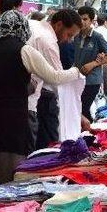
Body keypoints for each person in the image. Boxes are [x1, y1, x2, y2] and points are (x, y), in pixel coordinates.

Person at [0, 10, 95, 212]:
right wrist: (79, 71)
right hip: (9, 126)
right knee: (4, 181)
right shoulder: (23, 50)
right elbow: (54, 77)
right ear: (21, 29)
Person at [28, 9, 82, 151]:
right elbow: (56, 78)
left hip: (25, 95)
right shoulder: (47, 40)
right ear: (58, 25)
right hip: (36, 98)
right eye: (69, 34)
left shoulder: (34, 24)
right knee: (46, 147)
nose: (68, 40)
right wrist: (77, 72)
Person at [73, 6, 107, 121]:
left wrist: (94, 63)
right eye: (80, 19)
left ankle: (89, 132)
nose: (82, 22)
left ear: (91, 21)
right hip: (77, 78)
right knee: (78, 108)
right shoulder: (76, 36)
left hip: (92, 80)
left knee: (83, 108)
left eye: (85, 19)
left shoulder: (97, 37)